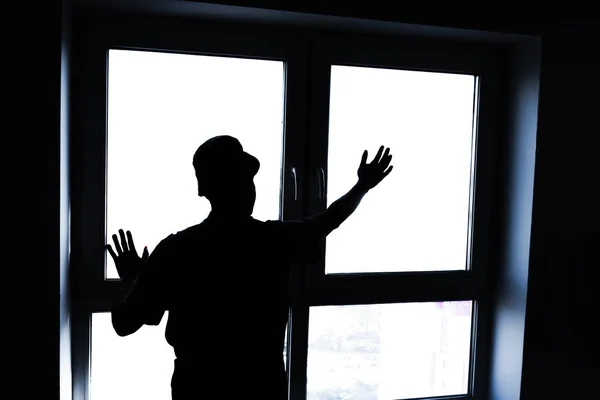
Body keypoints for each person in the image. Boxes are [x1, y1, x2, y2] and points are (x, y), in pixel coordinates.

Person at [107, 135, 393, 399]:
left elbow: (126, 323)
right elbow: (330, 219)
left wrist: (133, 279)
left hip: (197, 388)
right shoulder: (271, 240)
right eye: (245, 180)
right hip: (263, 387)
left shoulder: (176, 249)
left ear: (204, 188)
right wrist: (361, 187)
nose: (251, 188)